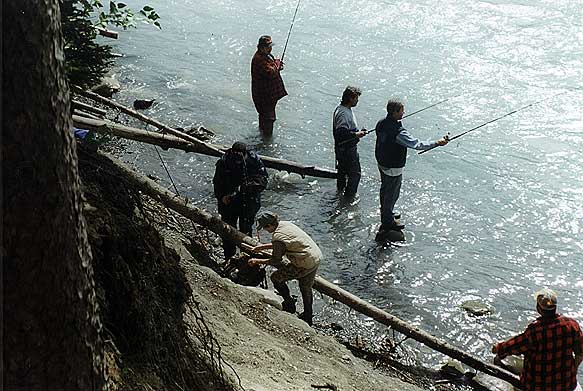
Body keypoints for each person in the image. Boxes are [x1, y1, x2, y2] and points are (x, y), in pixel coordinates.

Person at [374, 99, 448, 236]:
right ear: (395, 112)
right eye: (402, 110)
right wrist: (438, 143)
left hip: (381, 163)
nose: (404, 112)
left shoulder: (380, 122)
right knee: (392, 193)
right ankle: (387, 220)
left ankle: (386, 212)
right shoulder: (398, 132)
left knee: (385, 189)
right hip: (392, 168)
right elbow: (417, 144)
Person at [492, 288, 583, 391]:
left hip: (536, 386)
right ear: (555, 307)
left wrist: (498, 348)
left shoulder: (535, 330)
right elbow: (580, 353)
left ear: (539, 308)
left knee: (499, 360)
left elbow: (515, 346)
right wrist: (573, 370)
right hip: (567, 385)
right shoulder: (571, 325)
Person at [248, 211, 322, 326]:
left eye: (265, 228)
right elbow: (287, 242)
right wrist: (263, 246)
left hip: (303, 262)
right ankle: (308, 316)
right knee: (305, 287)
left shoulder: (277, 237)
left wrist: (256, 261)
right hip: (315, 256)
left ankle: (289, 303)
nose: (266, 230)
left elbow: (275, 260)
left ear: (269, 226)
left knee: (276, 278)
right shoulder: (286, 224)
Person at [213, 141, 268, 260]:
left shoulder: (254, 161)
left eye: (240, 155)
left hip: (248, 201)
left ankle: (245, 258)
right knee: (228, 231)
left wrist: (248, 187)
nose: (237, 158)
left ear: (246, 154)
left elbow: (263, 181)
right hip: (229, 203)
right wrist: (222, 197)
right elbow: (217, 183)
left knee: (246, 231)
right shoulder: (224, 162)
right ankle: (229, 257)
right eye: (235, 155)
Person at [332, 86, 367, 198]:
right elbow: (340, 133)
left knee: (342, 174)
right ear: (350, 99)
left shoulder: (341, 109)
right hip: (347, 151)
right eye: (356, 98)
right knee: (355, 175)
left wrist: (358, 132)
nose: (357, 101)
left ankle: (340, 194)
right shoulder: (344, 113)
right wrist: (356, 134)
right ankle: (349, 199)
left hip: (342, 150)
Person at [251, 35, 287, 136]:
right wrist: (277, 65)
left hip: (268, 96)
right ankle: (266, 143)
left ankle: (262, 137)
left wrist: (277, 64)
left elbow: (273, 66)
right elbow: (270, 72)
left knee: (265, 118)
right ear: (262, 47)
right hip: (264, 97)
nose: (271, 48)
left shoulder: (266, 56)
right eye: (268, 46)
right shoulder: (258, 59)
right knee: (268, 119)